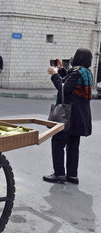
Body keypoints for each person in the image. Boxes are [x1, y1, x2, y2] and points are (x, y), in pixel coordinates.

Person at [43, 48, 93, 185]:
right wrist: (60, 70)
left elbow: (63, 88)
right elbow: (69, 82)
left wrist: (54, 74)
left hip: (69, 115)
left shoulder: (77, 73)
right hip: (79, 116)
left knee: (58, 142)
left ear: (79, 58)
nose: (72, 56)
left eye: (74, 55)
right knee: (73, 145)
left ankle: (59, 174)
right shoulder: (85, 72)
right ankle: (72, 175)